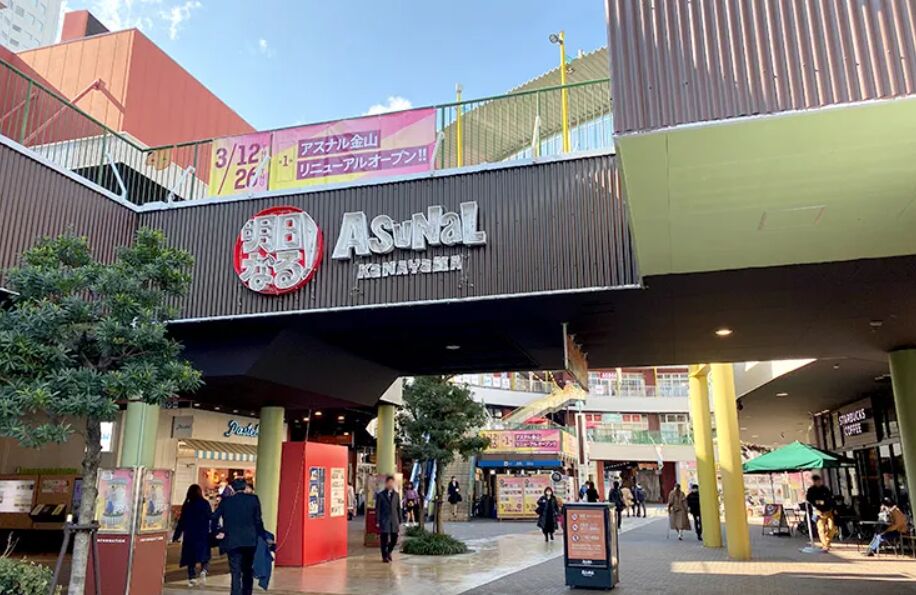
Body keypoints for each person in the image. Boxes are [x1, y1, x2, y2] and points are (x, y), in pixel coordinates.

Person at [212, 478, 267, 595]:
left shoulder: (226, 501)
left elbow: (214, 517)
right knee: (248, 570)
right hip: (250, 540)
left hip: (232, 540)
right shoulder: (253, 499)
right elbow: (258, 520)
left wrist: (217, 532)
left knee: (235, 571)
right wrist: (262, 535)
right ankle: (247, 592)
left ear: (232, 488)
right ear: (245, 487)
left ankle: (235, 592)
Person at [172, 484, 213, 587]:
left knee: (190, 557)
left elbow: (181, 522)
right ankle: (204, 570)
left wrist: (176, 536)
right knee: (205, 554)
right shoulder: (205, 503)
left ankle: (192, 577)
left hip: (190, 534)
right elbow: (210, 517)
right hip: (203, 534)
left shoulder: (187, 505)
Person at [805, 474, 836, 551]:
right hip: (819, 512)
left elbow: (830, 498)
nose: (819, 482)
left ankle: (827, 541)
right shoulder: (811, 490)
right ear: (814, 482)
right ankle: (825, 545)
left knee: (832, 528)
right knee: (821, 529)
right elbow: (809, 500)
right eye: (817, 481)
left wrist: (832, 507)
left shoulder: (825, 489)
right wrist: (817, 504)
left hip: (828, 510)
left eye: (820, 481)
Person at [376, 475, 402, 563]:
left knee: (394, 538)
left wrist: (400, 519)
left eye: (392, 482)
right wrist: (377, 521)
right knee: (384, 539)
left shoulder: (396, 495)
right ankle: (384, 556)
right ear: (386, 483)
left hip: (394, 520)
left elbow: (398, 508)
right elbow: (378, 509)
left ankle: (389, 551)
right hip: (384, 520)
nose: (391, 484)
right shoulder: (380, 495)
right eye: (389, 482)